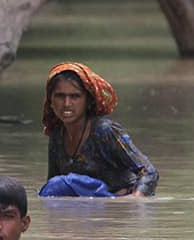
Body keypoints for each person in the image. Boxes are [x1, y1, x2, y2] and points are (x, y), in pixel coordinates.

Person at [40, 62, 159, 197]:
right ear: (50, 100)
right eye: (60, 96)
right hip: (86, 206)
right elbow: (53, 187)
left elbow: (149, 172)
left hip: (118, 203)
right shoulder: (57, 134)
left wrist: (133, 200)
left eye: (75, 96)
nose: (67, 104)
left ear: (88, 101)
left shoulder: (105, 131)